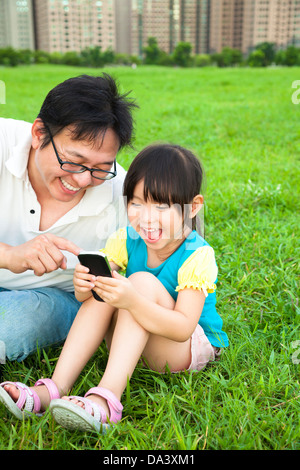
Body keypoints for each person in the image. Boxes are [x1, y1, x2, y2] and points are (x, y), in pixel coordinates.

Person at [0, 143, 229, 432]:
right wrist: (84, 285)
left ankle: (106, 400)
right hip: (131, 340)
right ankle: (53, 388)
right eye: (136, 203)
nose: (146, 218)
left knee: (140, 283)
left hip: (182, 348)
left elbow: (183, 327)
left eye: (161, 206)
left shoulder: (198, 254)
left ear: (193, 207)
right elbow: (92, 299)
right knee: (107, 281)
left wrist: (133, 300)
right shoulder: (125, 239)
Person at [0, 73, 137, 364]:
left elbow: (181, 246)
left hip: (50, 300)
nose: (83, 179)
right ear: (39, 134)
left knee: (13, 321)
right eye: (73, 161)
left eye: (101, 167)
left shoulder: (124, 193)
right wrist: (9, 255)